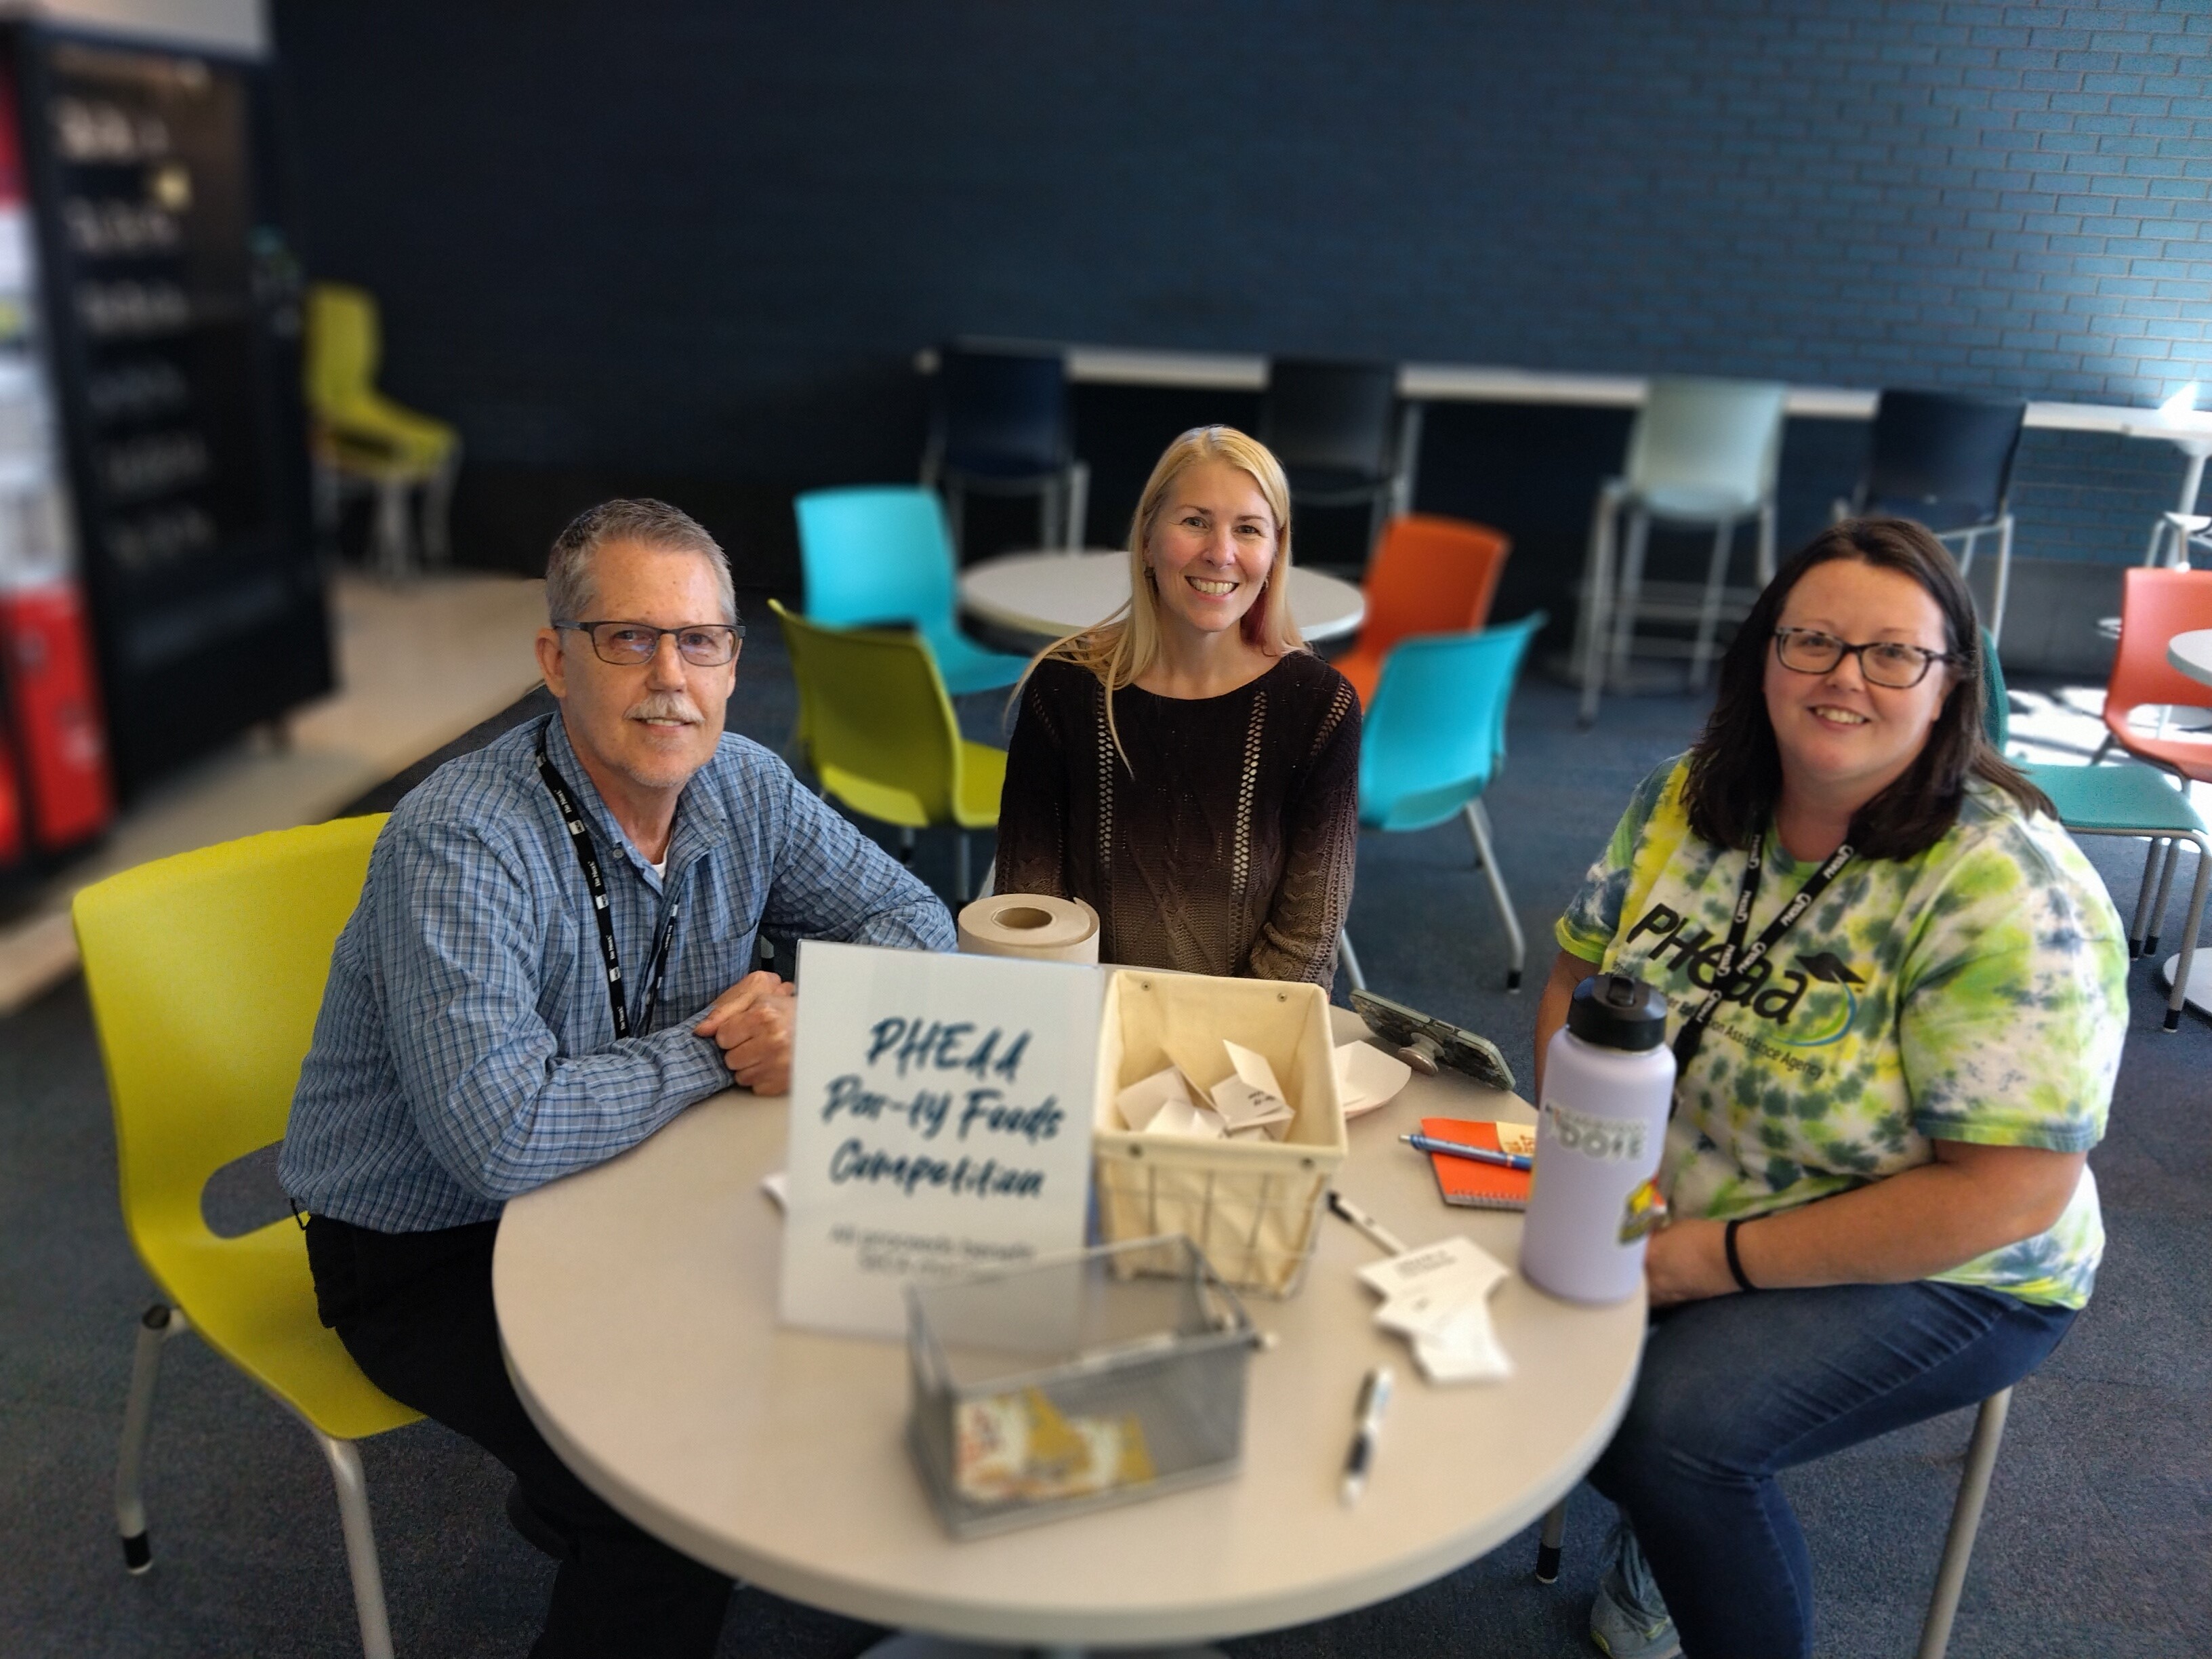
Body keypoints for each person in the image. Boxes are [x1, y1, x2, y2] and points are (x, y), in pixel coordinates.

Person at [280, 499, 955, 1658]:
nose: (668, 677)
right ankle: (608, 1506)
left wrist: (813, 1010)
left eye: (700, 640)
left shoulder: (741, 785)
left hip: (632, 1182)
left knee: (870, 1317)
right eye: (625, 637)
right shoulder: (460, 839)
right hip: (430, 1241)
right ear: (554, 657)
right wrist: (716, 1046)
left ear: (736, 663)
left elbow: (915, 922)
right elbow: (497, 1136)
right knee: (669, 1503)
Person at [1535, 519, 2129, 1659]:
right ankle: (1665, 1528)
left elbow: (2003, 1195)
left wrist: (1707, 1256)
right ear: (1762, 655)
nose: (1843, 676)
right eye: (1809, 640)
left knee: (1665, 1433)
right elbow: (1574, 975)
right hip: (1675, 1193)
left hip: (1950, 1260)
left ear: (1948, 681)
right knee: (1496, 1314)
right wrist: (1591, 1158)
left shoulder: (2005, 885)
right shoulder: (1685, 798)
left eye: (1890, 652)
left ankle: (1672, 1520)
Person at [992, 425, 1359, 983]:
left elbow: (1305, 942)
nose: (1221, 553)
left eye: (1249, 529)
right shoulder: (1063, 687)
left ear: (1275, 551)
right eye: (1195, 522)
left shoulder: (1318, 707)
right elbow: (1032, 907)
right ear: (1146, 538)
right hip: (1088, 1019)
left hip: (1247, 1038)